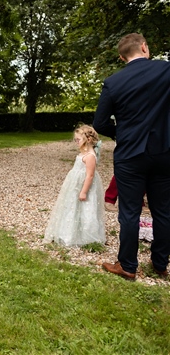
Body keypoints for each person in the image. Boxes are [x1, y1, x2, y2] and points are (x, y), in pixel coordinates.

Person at [93, 33, 170, 280]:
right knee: (164, 211)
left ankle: (127, 265)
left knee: (129, 212)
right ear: (145, 47)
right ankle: (160, 263)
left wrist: (121, 135)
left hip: (130, 155)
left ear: (121, 56)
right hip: (164, 152)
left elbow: (100, 123)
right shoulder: (165, 71)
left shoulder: (113, 82)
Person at [43, 125, 105, 246]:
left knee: (86, 208)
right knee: (72, 207)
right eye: (75, 140)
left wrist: (83, 191)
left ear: (88, 140)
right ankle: (69, 232)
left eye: (78, 140)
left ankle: (86, 236)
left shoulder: (90, 156)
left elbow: (90, 176)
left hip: (84, 187)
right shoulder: (84, 153)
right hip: (75, 185)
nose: (76, 142)